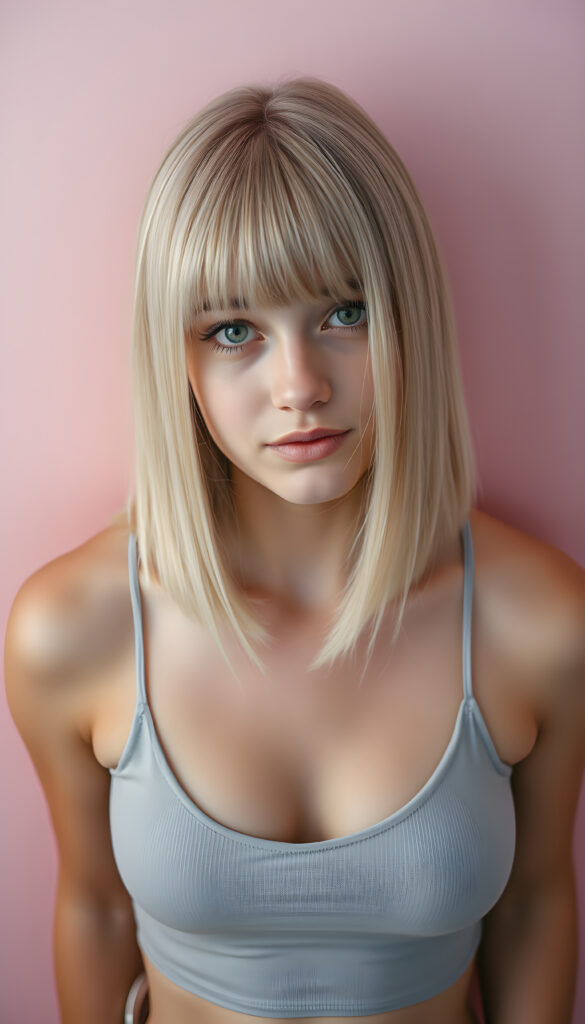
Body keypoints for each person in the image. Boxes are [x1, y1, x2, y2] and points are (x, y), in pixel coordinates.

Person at [5, 76, 585, 1024]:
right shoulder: (71, 630)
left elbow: (535, 903)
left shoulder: (539, 622)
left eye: (345, 313)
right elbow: (97, 909)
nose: (300, 384)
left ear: (410, 317)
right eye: (233, 331)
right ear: (174, 356)